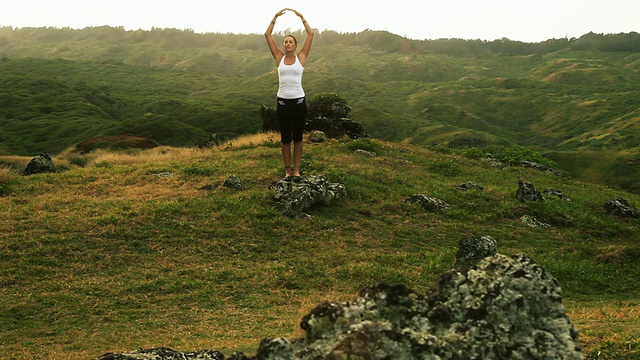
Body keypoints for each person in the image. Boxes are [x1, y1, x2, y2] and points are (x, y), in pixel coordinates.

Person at [265, 8, 314, 180]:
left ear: (295, 45)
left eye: (290, 42)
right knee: (285, 138)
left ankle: (296, 170)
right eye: (285, 41)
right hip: (283, 102)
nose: (287, 44)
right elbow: (267, 35)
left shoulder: (301, 57)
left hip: (299, 101)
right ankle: (287, 170)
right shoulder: (279, 57)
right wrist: (275, 17)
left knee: (298, 138)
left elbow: (311, 34)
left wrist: (301, 17)